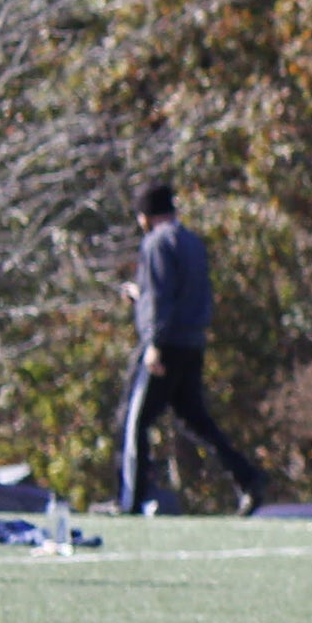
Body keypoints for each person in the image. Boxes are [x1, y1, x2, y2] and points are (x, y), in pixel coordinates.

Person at [119, 182, 269, 516]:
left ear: (145, 217)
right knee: (196, 420)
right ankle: (248, 478)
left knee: (134, 421)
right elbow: (181, 292)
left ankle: (131, 501)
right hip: (192, 342)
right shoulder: (192, 242)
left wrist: (153, 342)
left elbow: (159, 297)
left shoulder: (155, 242)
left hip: (165, 343)